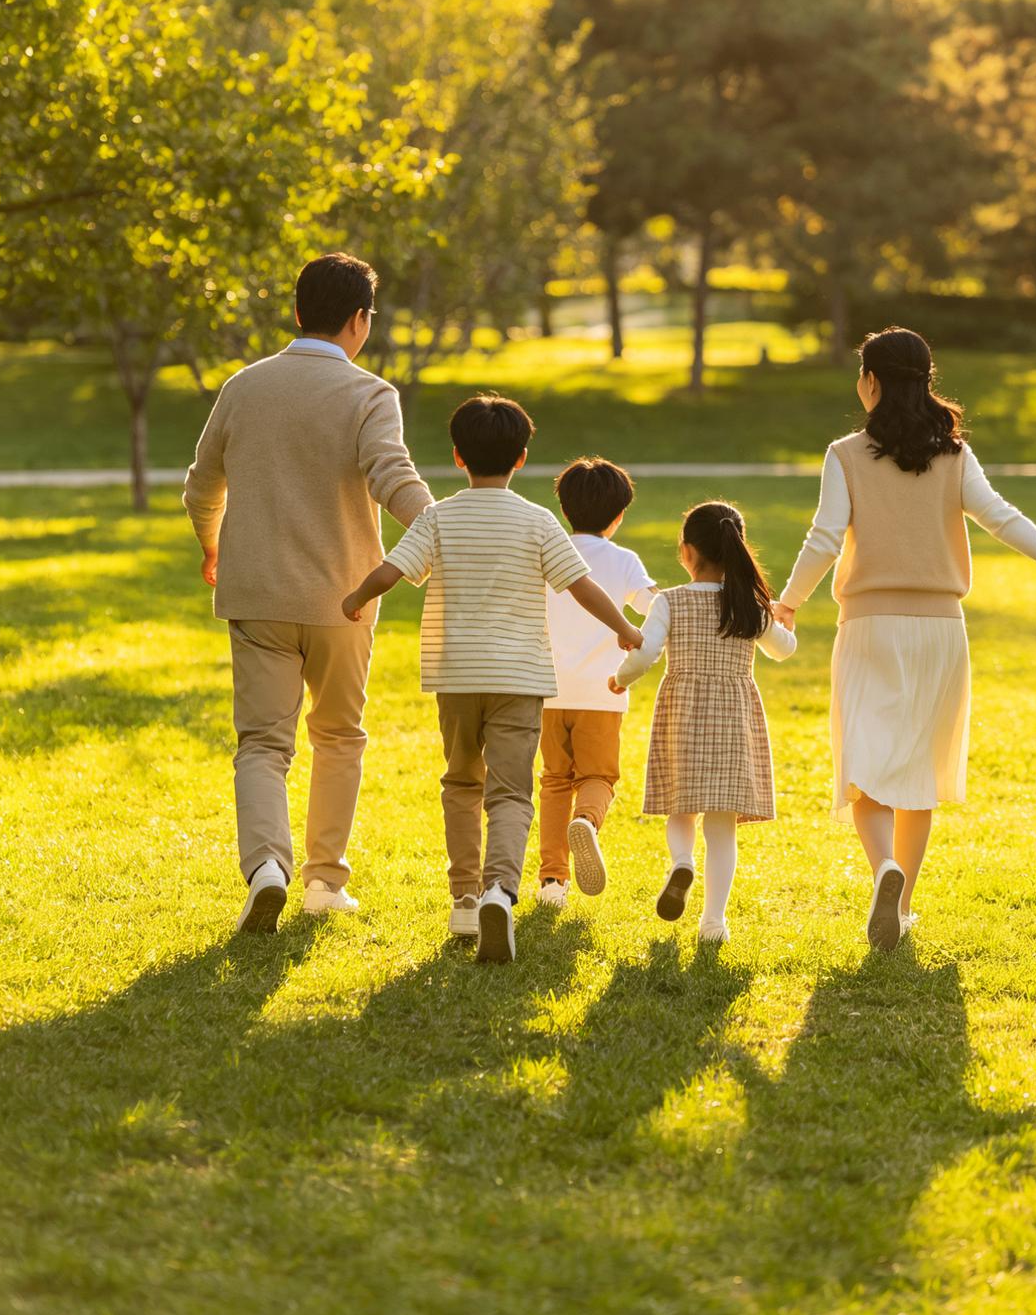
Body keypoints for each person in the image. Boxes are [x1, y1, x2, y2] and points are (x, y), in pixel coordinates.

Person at [775, 325, 1036, 951]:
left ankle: (884, 871)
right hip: (940, 634)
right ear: (925, 382)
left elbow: (823, 539)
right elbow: (1002, 519)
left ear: (870, 382)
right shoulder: (955, 454)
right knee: (919, 777)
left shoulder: (845, 453)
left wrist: (789, 602)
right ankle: (900, 911)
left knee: (865, 767)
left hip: (870, 626)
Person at [341, 394, 643, 964]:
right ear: (522, 458)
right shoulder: (537, 521)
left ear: (457, 456)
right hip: (520, 677)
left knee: (461, 782)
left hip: (456, 677)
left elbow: (393, 568)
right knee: (511, 790)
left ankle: (463, 897)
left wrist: (357, 596)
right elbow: (580, 586)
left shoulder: (438, 517)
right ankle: (501, 892)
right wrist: (624, 627)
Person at [183, 252, 433, 935]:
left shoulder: (244, 386)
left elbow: (203, 484)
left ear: (296, 313)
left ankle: (266, 867)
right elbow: (393, 476)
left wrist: (212, 541)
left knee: (262, 743)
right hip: (343, 599)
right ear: (359, 321)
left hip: (257, 594)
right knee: (339, 736)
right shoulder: (370, 394)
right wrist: (444, 532)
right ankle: (324, 881)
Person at [610, 500, 796, 945]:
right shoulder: (750, 604)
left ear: (688, 552)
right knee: (721, 825)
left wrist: (619, 679)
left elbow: (645, 654)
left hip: (684, 711)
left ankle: (681, 862)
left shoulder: (669, 602)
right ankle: (713, 922)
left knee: (681, 805)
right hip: (733, 714)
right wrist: (783, 618)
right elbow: (783, 649)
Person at [538, 457, 657, 906]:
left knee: (553, 780)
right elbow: (651, 607)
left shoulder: (549, 553)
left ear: (565, 509)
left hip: (547, 692)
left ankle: (552, 881)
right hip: (603, 693)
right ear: (619, 514)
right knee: (598, 777)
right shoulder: (624, 560)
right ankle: (586, 822)